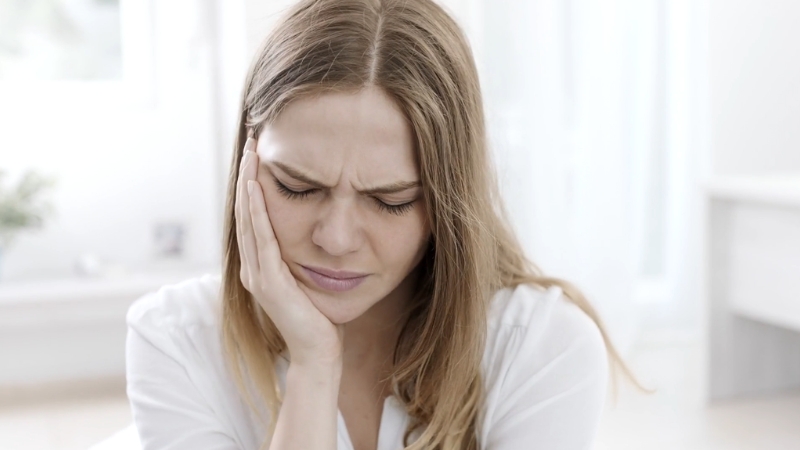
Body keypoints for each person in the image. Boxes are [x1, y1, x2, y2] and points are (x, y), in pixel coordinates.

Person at [125, 0, 639, 449]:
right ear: (247, 166)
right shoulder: (174, 339)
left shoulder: (542, 345)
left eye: (390, 201)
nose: (336, 238)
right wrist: (313, 366)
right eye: (297, 187)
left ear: (448, 202)